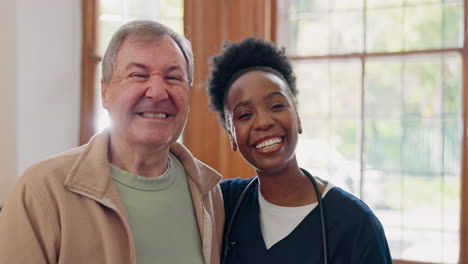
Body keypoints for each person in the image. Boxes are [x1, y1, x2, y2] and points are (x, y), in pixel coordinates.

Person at [0, 20, 224, 264]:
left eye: (174, 78)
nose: (158, 92)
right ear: (105, 91)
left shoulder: (208, 192)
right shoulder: (42, 191)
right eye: (138, 75)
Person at [206, 37, 392, 263]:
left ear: (298, 118)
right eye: (244, 115)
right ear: (232, 135)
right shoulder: (223, 203)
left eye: (276, 106)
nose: (263, 122)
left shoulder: (355, 224)